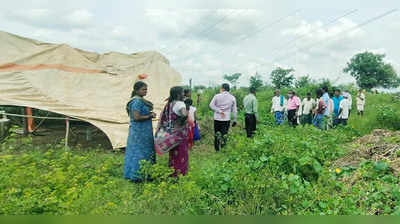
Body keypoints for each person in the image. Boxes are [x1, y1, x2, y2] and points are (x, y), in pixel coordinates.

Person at [124, 81, 157, 183]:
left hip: (143, 130)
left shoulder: (141, 100)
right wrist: (149, 116)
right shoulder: (136, 101)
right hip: (139, 132)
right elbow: (136, 117)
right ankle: (137, 175)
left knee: (144, 151)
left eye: (146, 89)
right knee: (139, 152)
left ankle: (145, 173)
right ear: (137, 90)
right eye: (143, 89)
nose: (145, 91)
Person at [158, 86, 190, 177]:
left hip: (171, 134)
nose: (184, 94)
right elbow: (184, 114)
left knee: (173, 154)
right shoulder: (180, 104)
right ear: (178, 94)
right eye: (182, 93)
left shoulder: (170, 103)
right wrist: (181, 121)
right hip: (180, 134)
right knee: (181, 154)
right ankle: (180, 174)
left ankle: (172, 172)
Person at [209, 83, 237, 152]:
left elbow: (211, 105)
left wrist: (219, 110)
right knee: (224, 134)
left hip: (217, 118)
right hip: (226, 119)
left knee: (217, 134)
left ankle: (217, 149)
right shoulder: (232, 97)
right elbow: (234, 110)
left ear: (223, 88)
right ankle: (223, 148)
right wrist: (235, 120)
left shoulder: (217, 96)